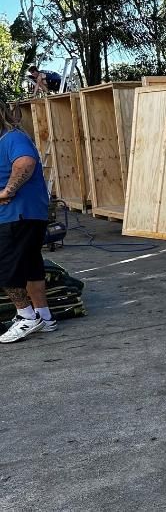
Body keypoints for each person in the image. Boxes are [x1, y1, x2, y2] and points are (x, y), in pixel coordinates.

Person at [0, 101, 55, 343]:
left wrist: (7, 191)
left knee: (5, 269)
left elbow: (26, 162)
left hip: (17, 214)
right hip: (28, 215)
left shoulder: (11, 138)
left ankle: (27, 317)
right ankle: (44, 316)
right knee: (31, 265)